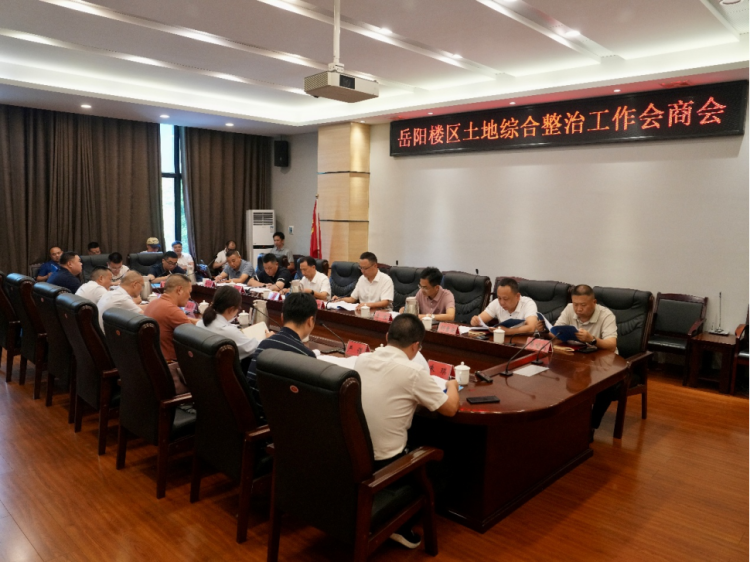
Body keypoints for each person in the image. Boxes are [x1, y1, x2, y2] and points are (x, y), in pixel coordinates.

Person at [355, 314, 459, 549]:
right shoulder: (413, 371)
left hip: (356, 455)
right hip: (385, 465)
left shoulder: (362, 359)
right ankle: (399, 523)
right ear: (415, 346)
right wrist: (452, 384)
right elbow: (451, 408)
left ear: (387, 337)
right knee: (443, 464)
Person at [552, 284, 618, 436]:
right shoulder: (569, 309)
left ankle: (591, 426)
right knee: (555, 374)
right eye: (575, 304)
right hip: (576, 357)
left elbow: (611, 345)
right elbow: (555, 332)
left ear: (594, 302)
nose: (578, 309)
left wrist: (592, 339)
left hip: (602, 362)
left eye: (583, 305)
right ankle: (562, 420)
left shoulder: (606, 315)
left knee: (607, 386)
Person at [245, 293, 317, 423]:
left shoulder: (264, 343)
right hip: (274, 426)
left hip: (251, 417)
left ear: (282, 317)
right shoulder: (307, 356)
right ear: (310, 321)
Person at [144, 274, 198, 394]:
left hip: (154, 367)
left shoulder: (154, 303)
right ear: (179, 290)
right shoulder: (172, 311)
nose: (190, 296)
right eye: (189, 292)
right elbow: (196, 338)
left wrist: (197, 321)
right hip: (171, 371)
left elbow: (181, 320)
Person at [196, 286, 267, 372]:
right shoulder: (228, 331)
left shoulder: (200, 323)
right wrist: (267, 338)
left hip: (205, 372)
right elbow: (253, 348)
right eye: (238, 308)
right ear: (231, 309)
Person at [471, 277, 538, 335]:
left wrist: (508, 331)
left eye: (506, 299)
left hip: (524, 342)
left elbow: (531, 328)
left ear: (517, 296)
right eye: (499, 298)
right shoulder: (496, 303)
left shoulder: (528, 304)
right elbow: (480, 319)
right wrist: (475, 321)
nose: (502, 302)